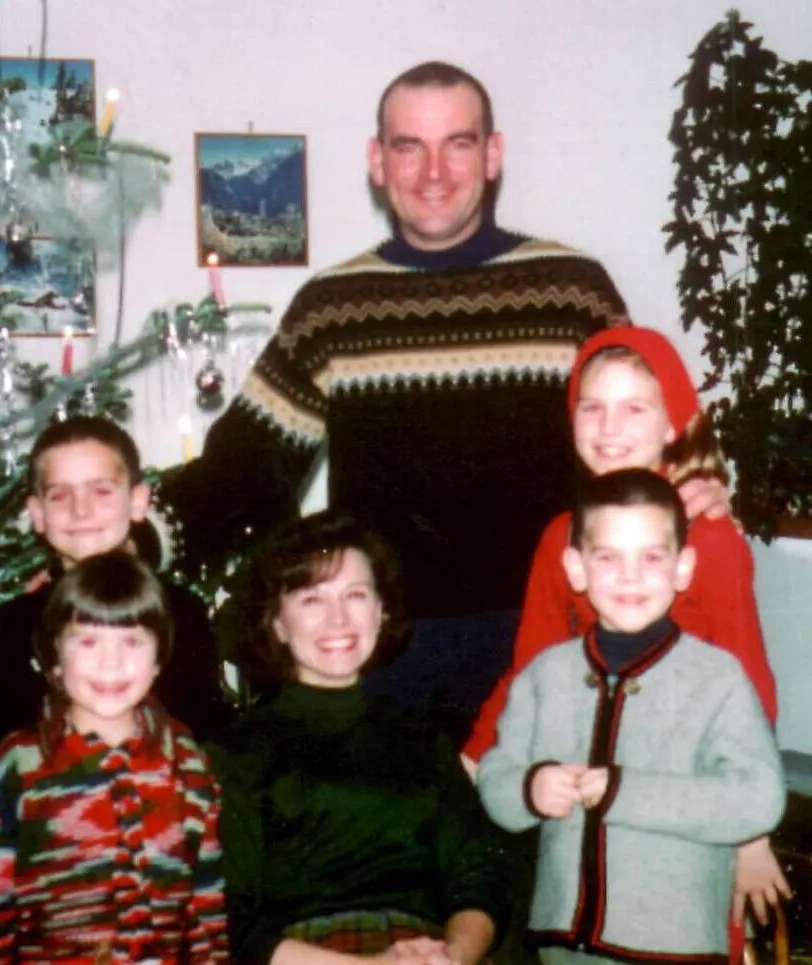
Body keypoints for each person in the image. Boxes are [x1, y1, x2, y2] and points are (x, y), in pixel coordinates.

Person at [158, 61, 721, 739]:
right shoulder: (333, 309)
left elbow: (647, 433)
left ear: (492, 155)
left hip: (552, 640)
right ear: (377, 160)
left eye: (456, 142)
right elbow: (240, 473)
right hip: (390, 658)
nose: (433, 172)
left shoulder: (575, 292)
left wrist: (698, 488)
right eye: (408, 146)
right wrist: (121, 541)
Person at [461, 326, 789, 958]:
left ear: (673, 423)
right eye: (592, 406)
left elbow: (749, 683)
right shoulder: (562, 535)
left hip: (685, 812)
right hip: (588, 807)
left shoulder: (709, 537)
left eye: (634, 407)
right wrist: (476, 760)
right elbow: (529, 665)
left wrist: (752, 838)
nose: (610, 426)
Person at [206, 511, 506, 965]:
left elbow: (479, 877)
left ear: (382, 612)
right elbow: (227, 917)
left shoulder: (424, 737)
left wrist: (452, 958)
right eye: (311, 600)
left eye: (356, 595)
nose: (338, 619)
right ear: (277, 623)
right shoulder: (237, 752)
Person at [0, 415, 231, 871]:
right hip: (47, 866)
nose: (81, 512)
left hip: (164, 859)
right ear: (36, 514)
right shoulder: (13, 624)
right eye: (60, 495)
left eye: (101, 491)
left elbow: (210, 746)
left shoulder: (180, 612)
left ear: (138, 502)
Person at [0, 551, 227, 962]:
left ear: (159, 659)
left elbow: (206, 903)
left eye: (133, 641)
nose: (111, 662)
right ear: (55, 657)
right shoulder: (20, 763)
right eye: (87, 640)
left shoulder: (187, 763)